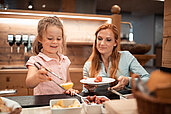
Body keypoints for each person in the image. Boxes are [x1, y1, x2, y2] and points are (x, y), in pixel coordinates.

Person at [83, 23, 150, 96]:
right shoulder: (88, 64)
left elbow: (148, 80)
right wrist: (89, 89)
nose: (102, 43)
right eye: (99, 39)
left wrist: (128, 81)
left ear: (115, 43)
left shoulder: (126, 57)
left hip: (121, 102)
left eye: (108, 40)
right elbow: (85, 92)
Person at [26, 16, 79, 95]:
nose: (55, 42)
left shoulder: (65, 60)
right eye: (50, 38)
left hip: (61, 103)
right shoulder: (35, 61)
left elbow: (68, 81)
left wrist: (70, 89)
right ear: (40, 39)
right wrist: (37, 77)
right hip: (43, 104)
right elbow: (29, 83)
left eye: (58, 39)